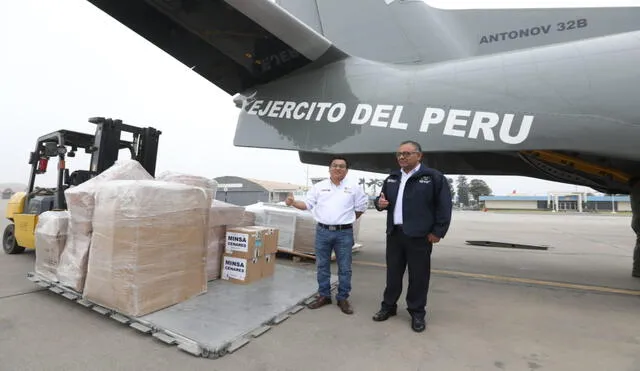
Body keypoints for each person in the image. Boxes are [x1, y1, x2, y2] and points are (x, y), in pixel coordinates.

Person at [372, 140, 453, 332]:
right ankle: (388, 307)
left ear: (419, 155)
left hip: (420, 237)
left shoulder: (433, 177)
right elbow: (381, 200)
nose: (402, 157)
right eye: (399, 154)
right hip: (395, 234)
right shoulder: (392, 177)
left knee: (419, 277)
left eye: (407, 153)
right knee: (393, 274)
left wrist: (438, 231)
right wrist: (379, 204)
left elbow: (444, 207)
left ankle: (417, 312)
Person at [286, 156, 369, 314]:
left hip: (344, 233)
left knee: (345, 267)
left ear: (346, 170)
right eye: (335, 165)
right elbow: (307, 204)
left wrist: (346, 221)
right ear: (329, 168)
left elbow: (360, 207)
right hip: (322, 231)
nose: (338, 168)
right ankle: (324, 295)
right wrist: (293, 202)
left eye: (342, 166)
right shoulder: (319, 187)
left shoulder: (354, 187)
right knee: (322, 265)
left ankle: (342, 297)